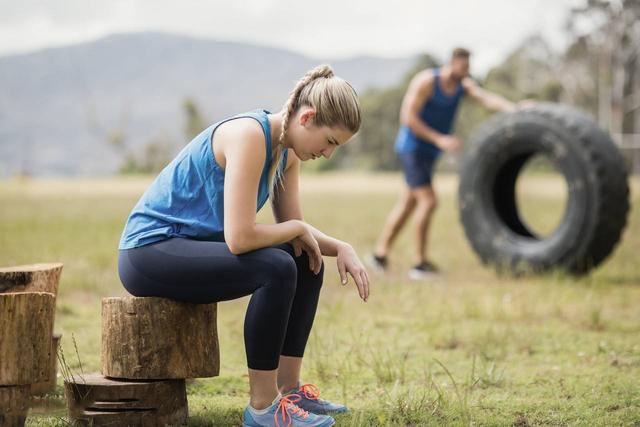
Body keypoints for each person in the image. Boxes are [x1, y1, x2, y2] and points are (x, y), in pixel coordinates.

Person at [117, 64, 370, 427]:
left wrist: (340, 246)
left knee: (304, 259)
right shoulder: (250, 136)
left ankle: (291, 393)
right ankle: (263, 410)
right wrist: (298, 228)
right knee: (277, 267)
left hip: (186, 249)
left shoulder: (288, 153)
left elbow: (294, 235)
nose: (328, 153)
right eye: (329, 141)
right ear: (307, 117)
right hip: (149, 252)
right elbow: (240, 239)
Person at [368, 48, 517, 280]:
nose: (466, 72)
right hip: (412, 149)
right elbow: (407, 117)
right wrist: (440, 139)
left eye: (468, 67)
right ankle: (419, 264)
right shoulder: (427, 82)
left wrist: (515, 109)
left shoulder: (462, 86)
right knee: (429, 201)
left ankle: (379, 255)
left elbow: (486, 99)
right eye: (463, 67)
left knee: (408, 204)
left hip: (429, 154)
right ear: (452, 62)